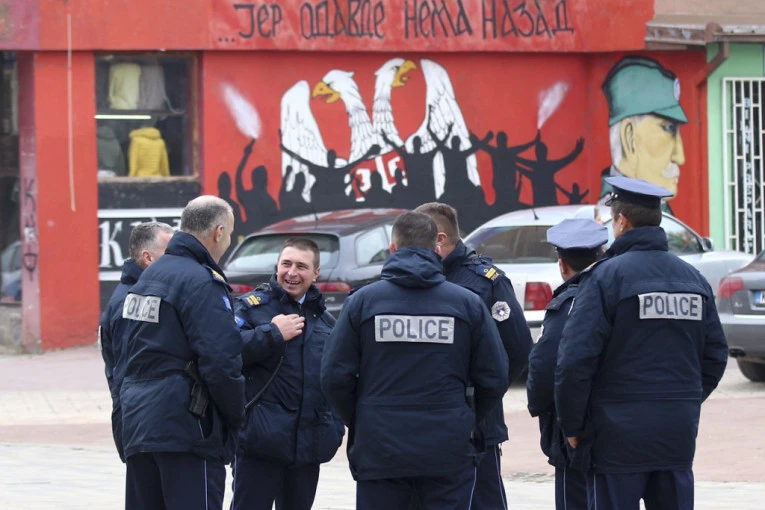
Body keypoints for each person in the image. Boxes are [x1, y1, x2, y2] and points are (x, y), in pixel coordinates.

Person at [555, 177, 728, 509]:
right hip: (675, 432)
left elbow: (575, 360)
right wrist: (684, 400)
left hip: (615, 438)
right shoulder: (693, 279)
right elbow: (716, 356)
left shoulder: (604, 278)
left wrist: (573, 426)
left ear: (622, 221)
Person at [321, 211, 509, 510]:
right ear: (436, 247)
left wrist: (363, 417)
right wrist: (464, 417)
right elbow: (494, 377)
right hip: (447, 448)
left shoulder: (363, 303)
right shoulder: (466, 304)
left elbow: (334, 376)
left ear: (392, 248)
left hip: (381, 448)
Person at [120, 196, 246, 510]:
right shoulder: (201, 281)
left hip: (139, 424)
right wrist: (234, 418)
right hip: (187, 429)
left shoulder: (148, 277)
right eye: (230, 234)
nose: (228, 241)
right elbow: (221, 362)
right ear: (218, 232)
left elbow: (122, 354)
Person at [415, 202, 532, 510]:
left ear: (439, 239)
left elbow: (517, 349)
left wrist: (480, 397)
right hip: (423, 423)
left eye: (418, 237)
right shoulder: (414, 279)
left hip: (476, 423)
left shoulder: (486, 281)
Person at [231, 237, 344, 510]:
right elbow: (227, 352)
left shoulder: (326, 322)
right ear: (277, 265)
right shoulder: (251, 308)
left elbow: (337, 378)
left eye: (301, 266)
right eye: (286, 264)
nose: (292, 273)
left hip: (307, 448)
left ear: (316, 273)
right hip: (259, 445)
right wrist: (271, 334)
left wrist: (333, 428)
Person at [526, 218, 607, 510]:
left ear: (562, 265)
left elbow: (545, 365)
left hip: (577, 428)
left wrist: (540, 406)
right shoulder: (616, 295)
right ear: (602, 255)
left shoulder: (569, 304)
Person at [99, 221, 174, 462]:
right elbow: (126, 370)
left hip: (143, 420)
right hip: (140, 423)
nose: (176, 260)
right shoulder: (131, 302)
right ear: (148, 258)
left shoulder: (144, 292)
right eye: (169, 253)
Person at [598, 56, 687, 214]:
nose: (680, 157)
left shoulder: (648, 211)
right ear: (629, 138)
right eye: (668, 128)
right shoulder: (614, 216)